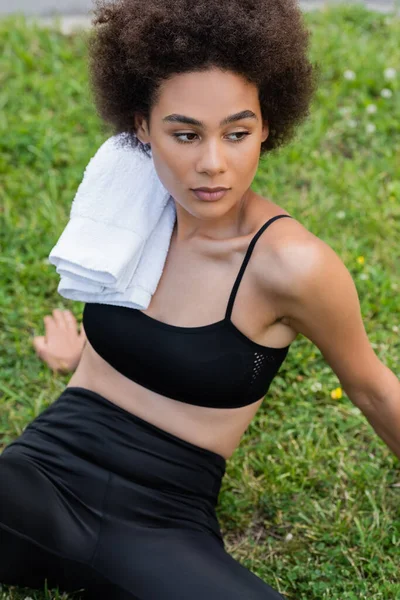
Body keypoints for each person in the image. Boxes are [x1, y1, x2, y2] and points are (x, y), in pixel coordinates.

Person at [2, 0, 400, 598]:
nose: (212, 164)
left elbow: (370, 386)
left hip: (162, 523)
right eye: (185, 134)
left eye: (236, 133)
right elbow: (125, 313)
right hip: (42, 476)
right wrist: (77, 358)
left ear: (268, 125)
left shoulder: (292, 265)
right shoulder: (127, 205)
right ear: (142, 127)